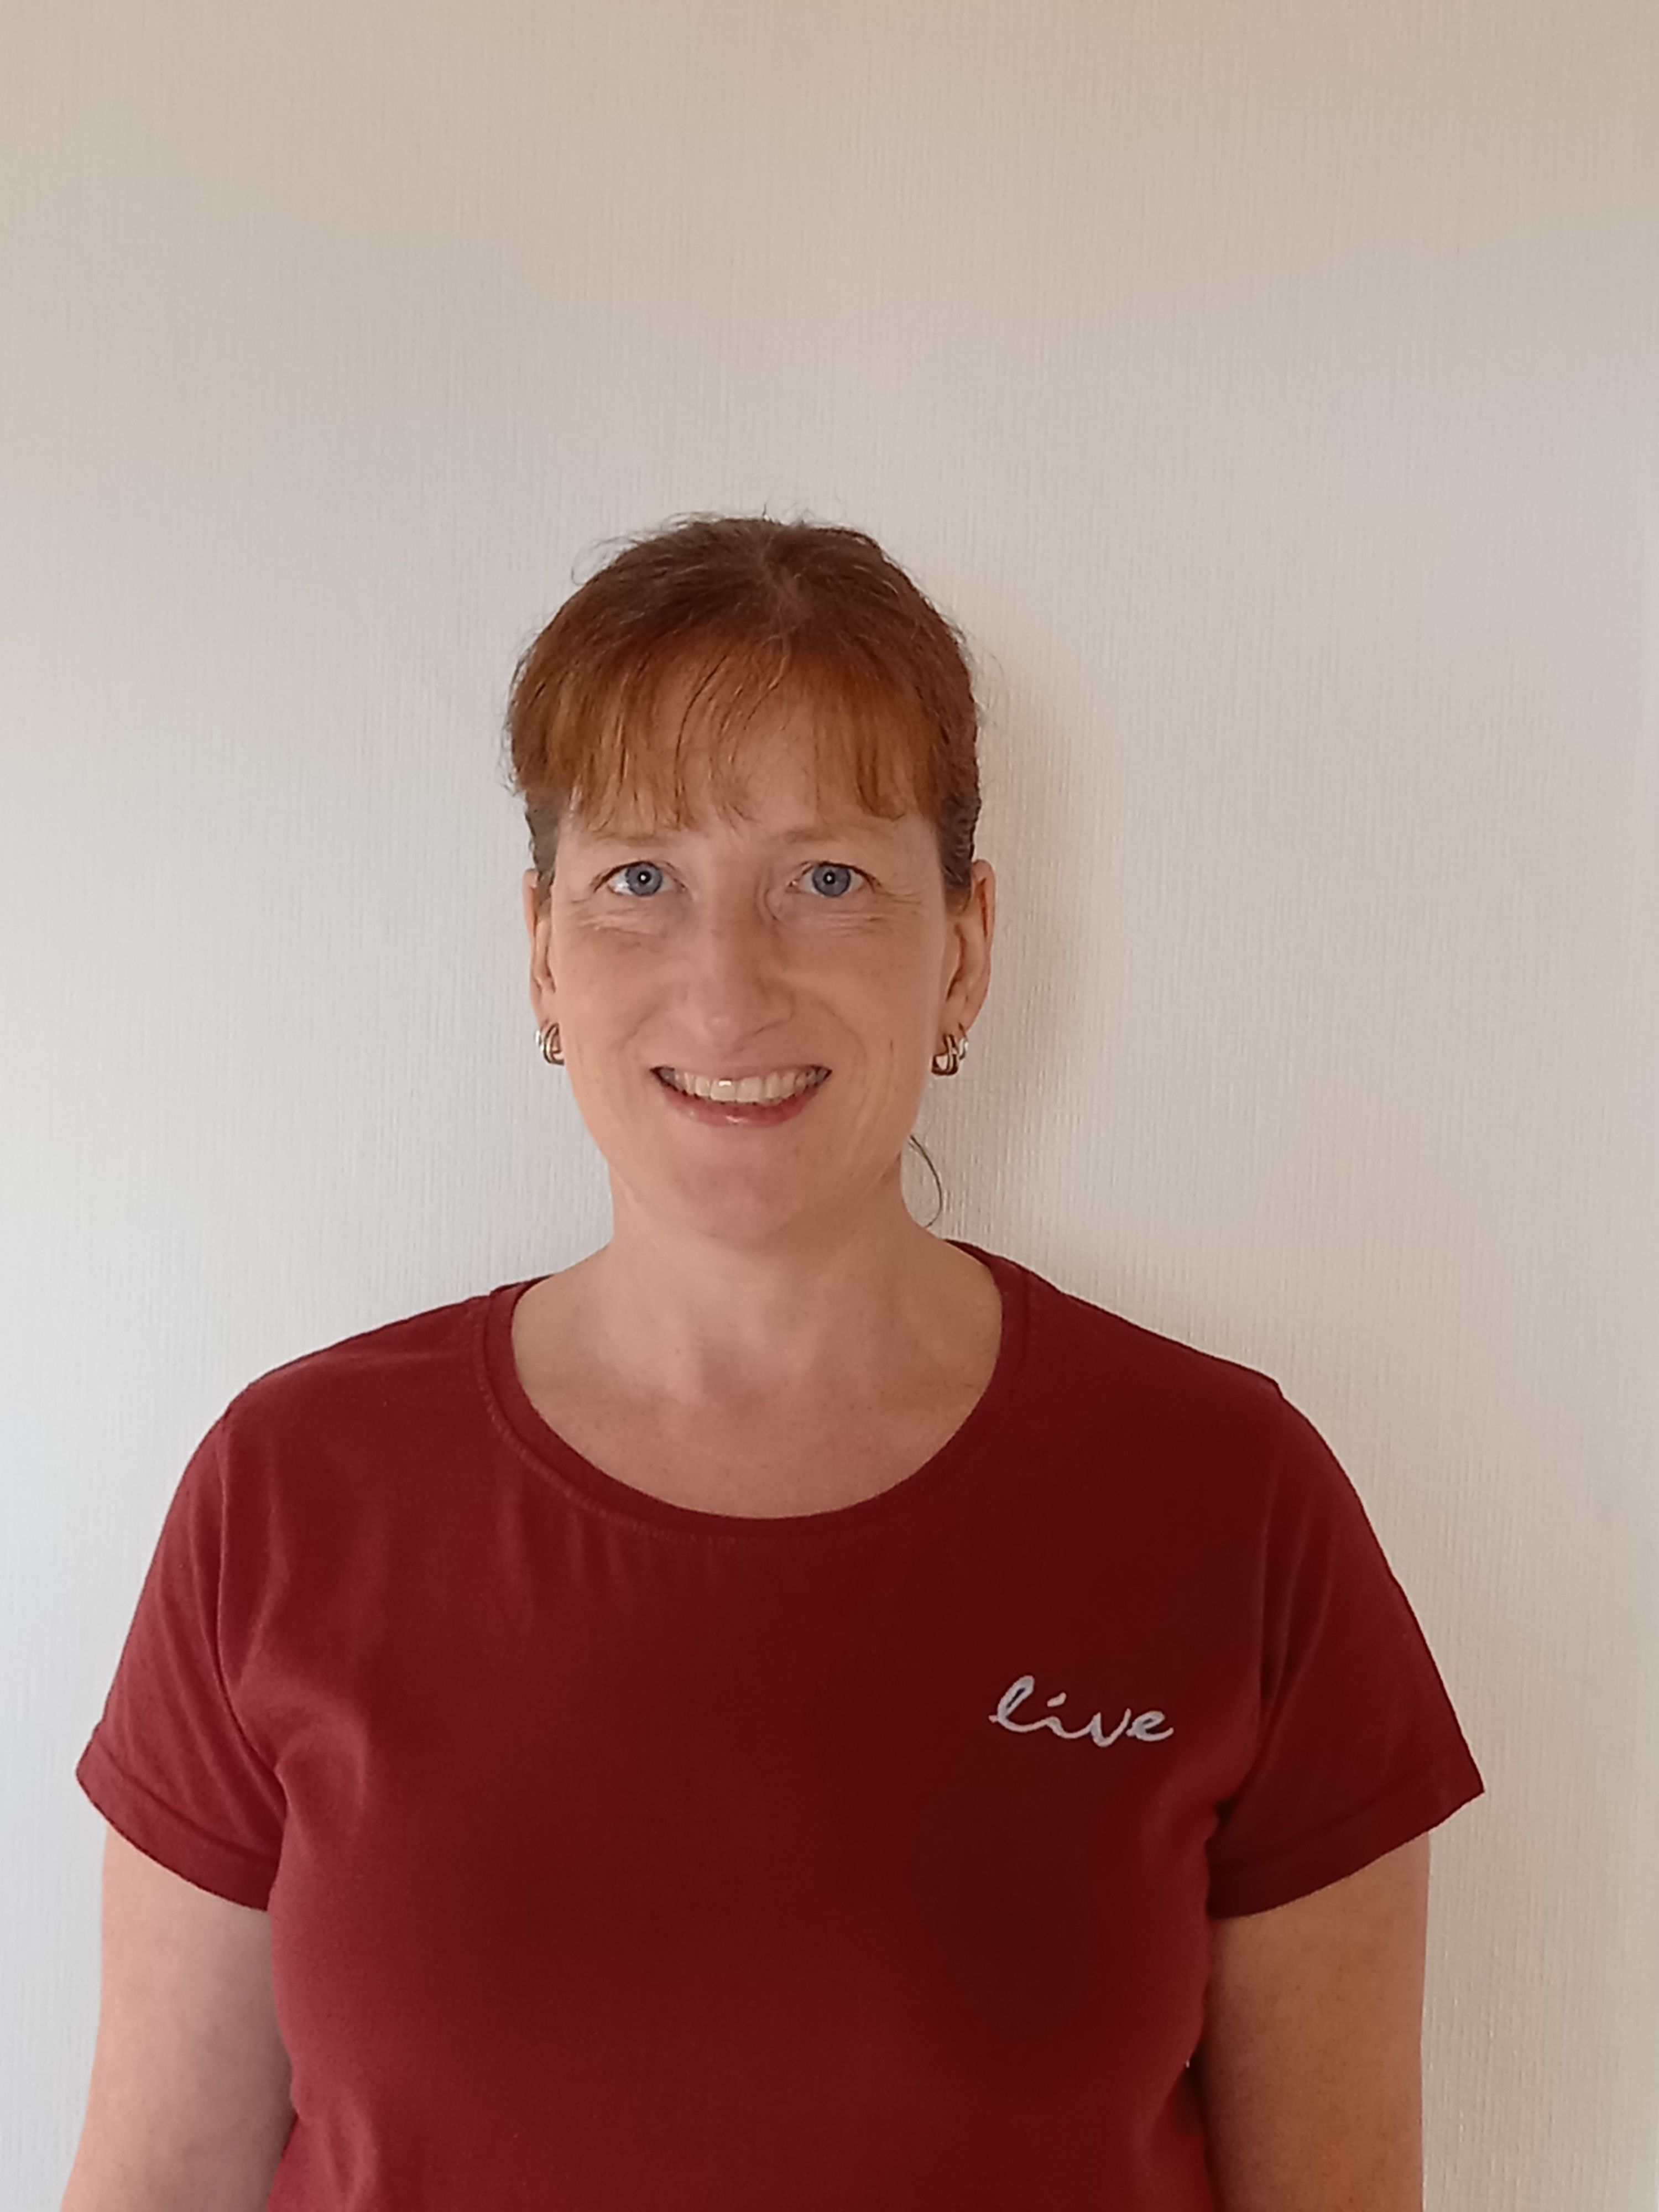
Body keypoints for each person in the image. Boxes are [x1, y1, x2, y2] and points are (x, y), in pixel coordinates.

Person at [63, 513, 1484, 2212]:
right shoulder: (290, 1494)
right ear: (543, 953)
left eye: (827, 881)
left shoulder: (1230, 1502)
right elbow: (156, 2179)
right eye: (639, 880)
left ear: (964, 949)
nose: (726, 988)